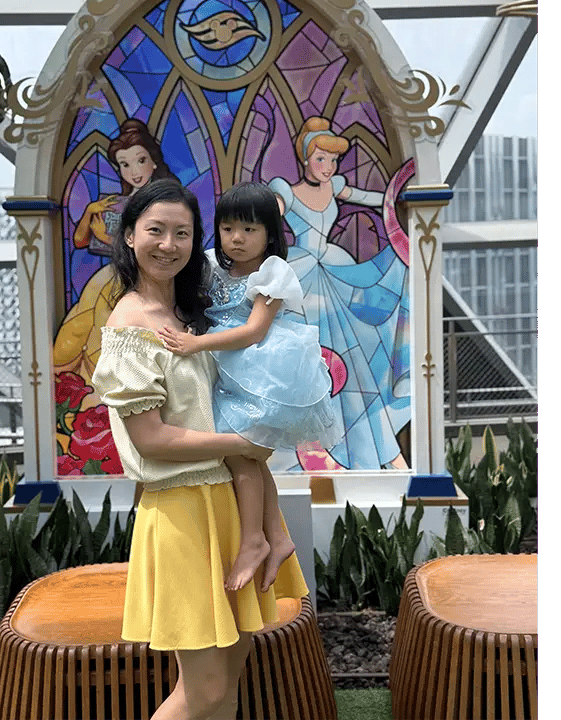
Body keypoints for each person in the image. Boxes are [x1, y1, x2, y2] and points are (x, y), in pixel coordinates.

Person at [91, 178, 310, 720]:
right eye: (155, 231)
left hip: (233, 510)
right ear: (130, 236)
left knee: (230, 677)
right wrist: (247, 443)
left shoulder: (194, 315)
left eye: (182, 233)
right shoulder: (130, 325)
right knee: (205, 692)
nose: (169, 244)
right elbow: (152, 440)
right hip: (183, 512)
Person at [156, 182, 339, 593]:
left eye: (249, 230)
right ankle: (277, 537)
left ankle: (254, 539)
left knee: (240, 454)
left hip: (263, 374)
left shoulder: (273, 272)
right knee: (249, 457)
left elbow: (255, 331)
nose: (236, 239)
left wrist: (196, 342)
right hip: (228, 372)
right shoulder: (209, 266)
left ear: (270, 235)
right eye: (228, 229)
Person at [268, 116, 412, 469]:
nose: (328, 167)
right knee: (308, 361)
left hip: (335, 270)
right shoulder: (284, 189)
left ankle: (363, 442)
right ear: (305, 158)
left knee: (354, 356)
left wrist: (399, 199)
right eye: (321, 159)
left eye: (333, 161)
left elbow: (372, 198)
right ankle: (300, 451)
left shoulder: (335, 187)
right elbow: (268, 213)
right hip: (303, 278)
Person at [55, 118, 179, 377]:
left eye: (140, 160)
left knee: (103, 321)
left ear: (153, 161)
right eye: (125, 164)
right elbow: (79, 241)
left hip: (145, 280)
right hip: (114, 275)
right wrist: (90, 212)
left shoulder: (166, 201)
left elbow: (158, 249)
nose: (134, 170)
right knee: (81, 323)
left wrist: (108, 239)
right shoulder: (118, 202)